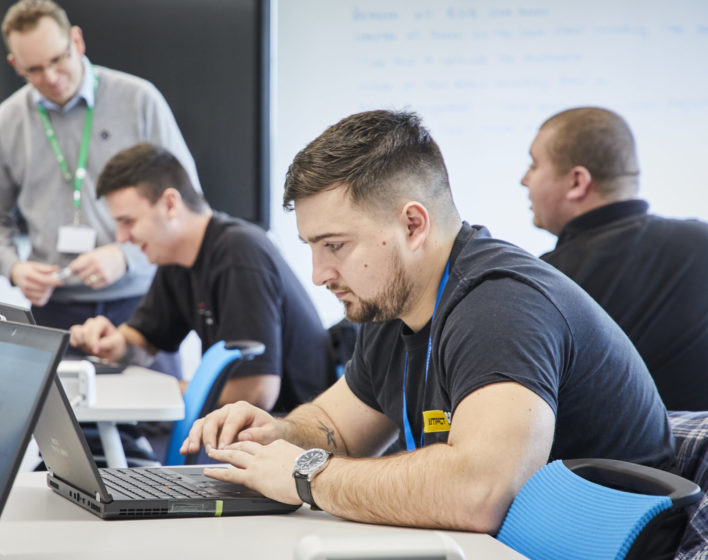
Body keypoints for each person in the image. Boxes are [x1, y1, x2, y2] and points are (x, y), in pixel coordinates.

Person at [180, 110, 675, 532]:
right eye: (312, 248)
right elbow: (336, 425)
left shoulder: (499, 306)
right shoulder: (393, 302)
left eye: (335, 246)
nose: (318, 275)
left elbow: (480, 493)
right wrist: (279, 436)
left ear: (413, 225)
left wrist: (306, 474)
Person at [0, 0, 198, 374]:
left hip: (143, 304)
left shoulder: (139, 100)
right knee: (63, 431)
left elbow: (187, 203)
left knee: (154, 424)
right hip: (54, 311)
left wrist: (127, 257)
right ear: (15, 65)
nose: (51, 77)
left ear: (76, 41)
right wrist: (14, 268)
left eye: (58, 59)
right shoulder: (6, 122)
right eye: (34, 69)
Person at [70, 143, 334, 414]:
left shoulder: (239, 253)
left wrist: (156, 388)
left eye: (128, 222)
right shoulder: (173, 258)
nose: (121, 238)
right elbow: (145, 339)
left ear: (170, 204)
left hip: (289, 433)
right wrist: (114, 343)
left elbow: (255, 393)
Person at [521, 107, 708, 411]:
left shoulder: (549, 281)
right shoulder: (701, 241)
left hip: (610, 459)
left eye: (534, 165)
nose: (524, 180)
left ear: (577, 182)